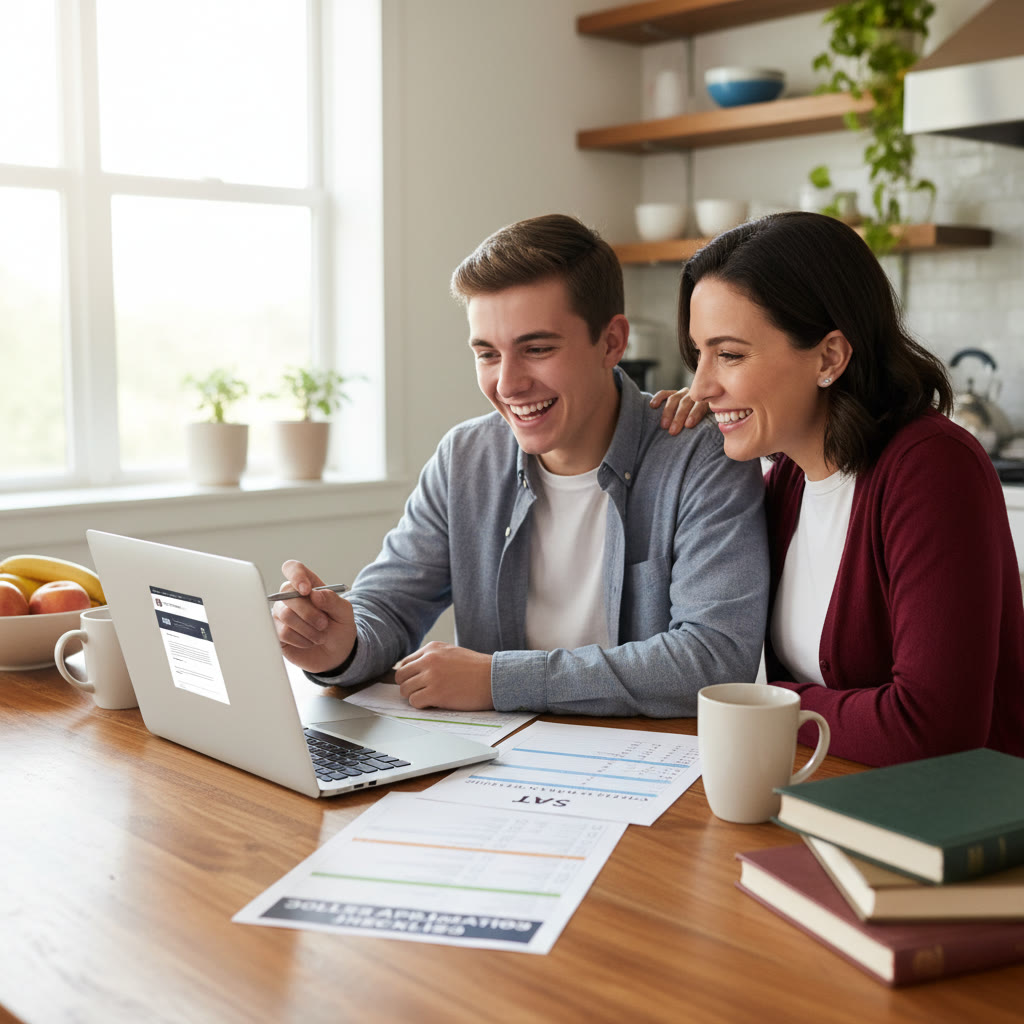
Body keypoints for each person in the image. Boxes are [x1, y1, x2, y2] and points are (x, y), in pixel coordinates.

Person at [272, 213, 768, 717]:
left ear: (612, 342)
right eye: (487, 354)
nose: (508, 385)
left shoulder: (700, 457)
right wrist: (340, 645)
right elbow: (388, 604)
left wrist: (500, 680)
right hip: (496, 762)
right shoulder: (465, 458)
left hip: (651, 767)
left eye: (536, 349)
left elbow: (715, 659)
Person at [654, 210, 1024, 765]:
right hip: (836, 794)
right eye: (698, 354)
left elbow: (933, 730)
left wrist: (769, 704)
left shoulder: (931, 468)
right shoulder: (787, 480)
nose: (702, 386)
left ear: (829, 356)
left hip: (958, 826)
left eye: (729, 354)